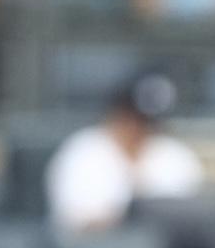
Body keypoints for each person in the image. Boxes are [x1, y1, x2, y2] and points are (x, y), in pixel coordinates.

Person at [44, 71, 204, 234]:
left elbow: (187, 220)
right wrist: (131, 218)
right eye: (132, 117)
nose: (137, 127)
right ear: (117, 112)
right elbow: (79, 225)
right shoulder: (82, 152)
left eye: (148, 122)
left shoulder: (176, 155)